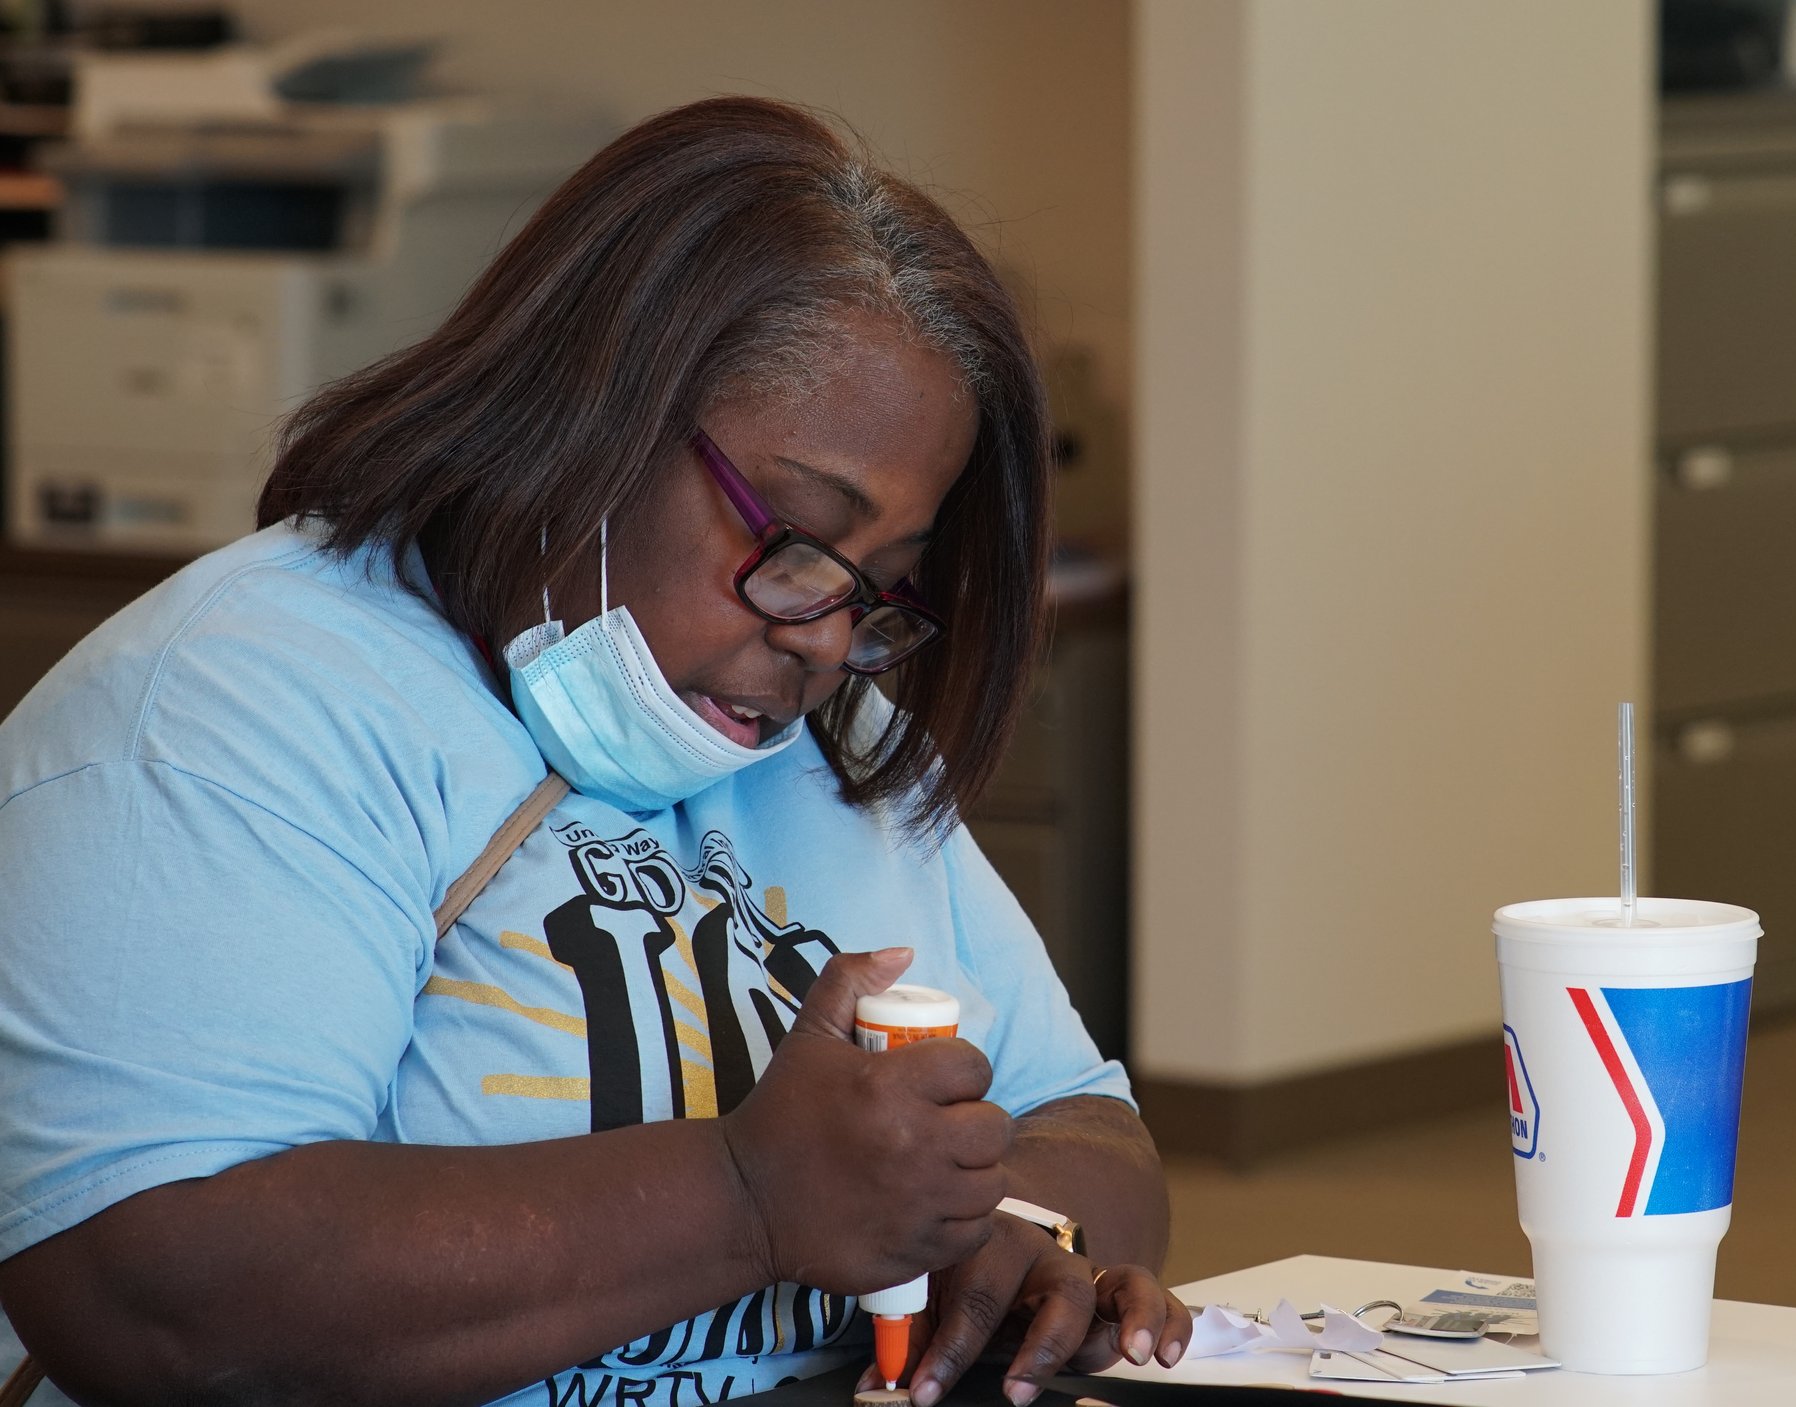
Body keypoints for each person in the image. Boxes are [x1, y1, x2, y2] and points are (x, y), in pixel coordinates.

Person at [0, 97, 1189, 1407]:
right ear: (589, 413)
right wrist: (747, 1194)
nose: (825, 637)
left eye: (882, 586)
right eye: (793, 534)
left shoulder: (835, 739)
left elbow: (1088, 1122)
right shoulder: (233, 709)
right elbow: (160, 1294)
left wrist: (1008, 1230)